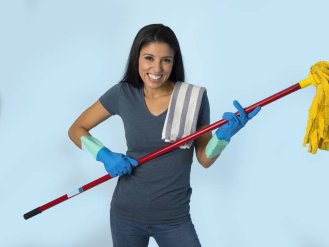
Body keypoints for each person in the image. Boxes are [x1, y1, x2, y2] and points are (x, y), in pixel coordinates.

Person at [68, 24, 261, 247]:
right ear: (137, 58)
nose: (157, 68)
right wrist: (104, 155)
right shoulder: (122, 94)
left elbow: (204, 159)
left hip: (174, 219)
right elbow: (76, 129)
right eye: (149, 58)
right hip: (125, 215)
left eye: (166, 60)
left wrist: (224, 135)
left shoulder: (193, 98)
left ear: (174, 62)